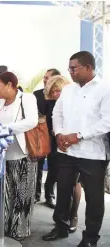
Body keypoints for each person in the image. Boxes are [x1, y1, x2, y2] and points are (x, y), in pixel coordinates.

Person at [42, 51, 110, 247]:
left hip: (93, 153)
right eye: (69, 68)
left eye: (74, 68)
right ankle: (61, 227)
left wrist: (78, 136)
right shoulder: (68, 90)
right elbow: (57, 113)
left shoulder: (105, 89)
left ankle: (90, 238)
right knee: (63, 191)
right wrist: (59, 134)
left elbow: (107, 122)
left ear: (89, 67)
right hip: (67, 152)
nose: (70, 72)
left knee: (94, 199)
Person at [0, 71, 38, 241]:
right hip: (4, 154)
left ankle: (19, 230)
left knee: (22, 195)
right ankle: (1, 227)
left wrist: (7, 128)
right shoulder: (1, 102)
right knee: (4, 193)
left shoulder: (27, 98)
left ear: (10, 85)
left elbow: (32, 121)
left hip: (23, 155)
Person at [43, 75, 81, 233]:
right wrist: (57, 134)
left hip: (77, 146)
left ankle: (73, 215)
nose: (55, 94)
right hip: (56, 146)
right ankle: (62, 220)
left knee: (75, 184)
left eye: (58, 90)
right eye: (52, 92)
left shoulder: (77, 99)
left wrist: (72, 138)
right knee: (62, 183)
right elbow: (53, 121)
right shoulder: (53, 104)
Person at [33, 68, 61, 207]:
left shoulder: (60, 96)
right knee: (36, 166)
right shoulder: (36, 94)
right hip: (39, 136)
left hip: (56, 137)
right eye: (44, 77)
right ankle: (35, 195)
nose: (44, 80)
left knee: (53, 167)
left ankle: (49, 195)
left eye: (48, 78)